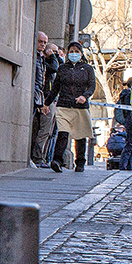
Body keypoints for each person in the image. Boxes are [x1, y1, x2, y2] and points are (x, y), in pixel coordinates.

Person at [43, 40, 96, 173]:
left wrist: (84, 96)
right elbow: (55, 88)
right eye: (71, 52)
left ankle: (80, 162)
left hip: (80, 106)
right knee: (63, 133)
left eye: (76, 52)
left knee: (80, 135)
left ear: (81, 54)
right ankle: (57, 160)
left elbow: (92, 86)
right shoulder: (63, 69)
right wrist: (46, 103)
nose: (74, 54)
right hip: (64, 105)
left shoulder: (88, 69)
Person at [30, 33, 60, 167]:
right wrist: (53, 56)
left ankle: (40, 157)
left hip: (43, 98)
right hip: (40, 97)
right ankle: (37, 158)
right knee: (41, 131)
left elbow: (59, 68)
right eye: (40, 42)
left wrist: (55, 55)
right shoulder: (37, 57)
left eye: (44, 42)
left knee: (48, 132)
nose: (42, 45)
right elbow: (54, 68)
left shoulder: (42, 58)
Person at [114, 78, 132, 170]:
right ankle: (124, 165)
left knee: (131, 144)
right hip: (130, 121)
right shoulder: (128, 95)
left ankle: (129, 165)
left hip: (129, 121)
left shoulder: (125, 94)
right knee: (130, 144)